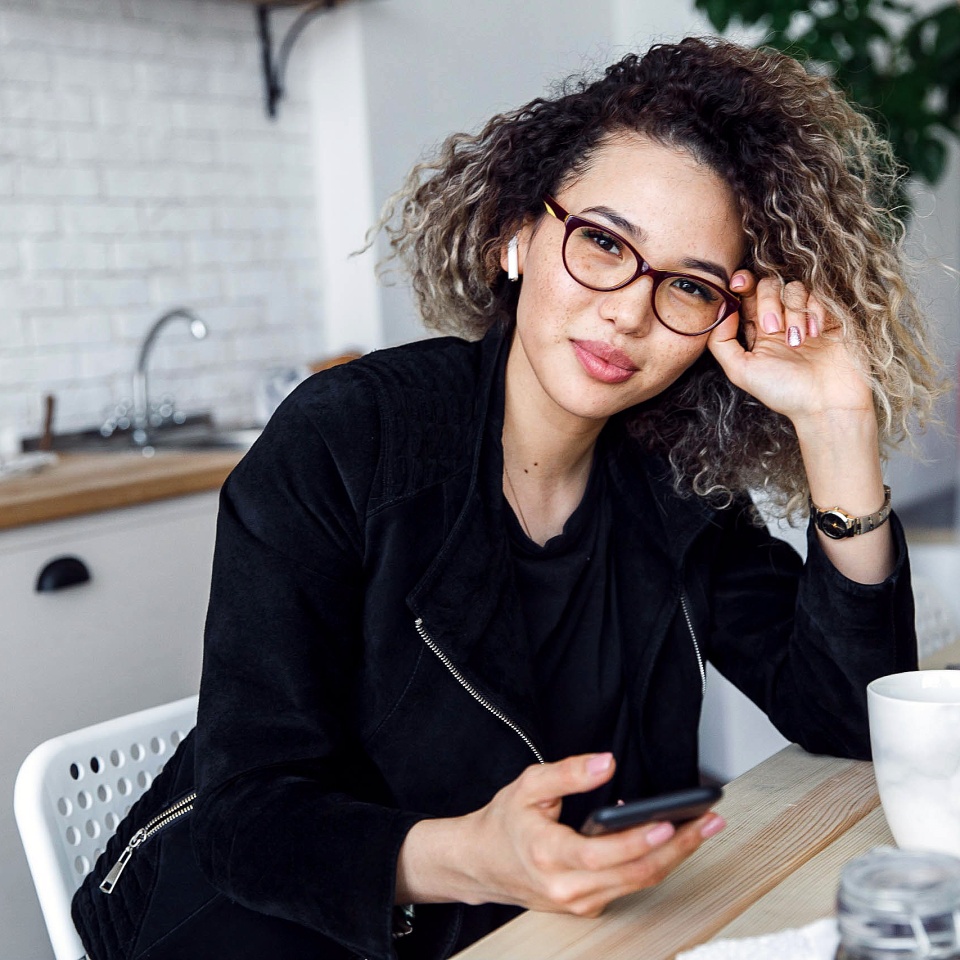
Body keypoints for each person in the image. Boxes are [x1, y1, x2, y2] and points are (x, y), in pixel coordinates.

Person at [73, 35, 937, 960]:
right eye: (603, 242)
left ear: (720, 320)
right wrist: (471, 859)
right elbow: (249, 817)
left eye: (686, 284)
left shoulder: (672, 479)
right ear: (517, 235)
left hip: (526, 933)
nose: (629, 311)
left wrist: (838, 426)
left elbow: (852, 722)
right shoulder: (347, 439)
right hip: (254, 931)